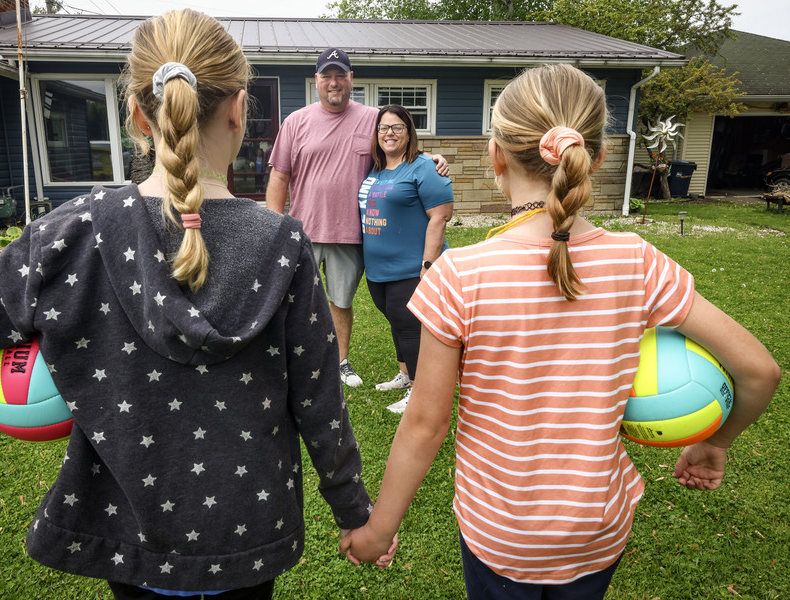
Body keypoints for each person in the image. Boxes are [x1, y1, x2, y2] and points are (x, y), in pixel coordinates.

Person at [0, 10, 394, 599]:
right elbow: (320, 401)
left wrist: (4, 396)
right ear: (239, 109)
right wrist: (354, 514)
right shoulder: (284, 244)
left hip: (130, 535)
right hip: (248, 535)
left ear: (136, 113)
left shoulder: (67, 234)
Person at [340, 64, 780, 596]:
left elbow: (424, 425)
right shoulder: (638, 262)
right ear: (595, 157)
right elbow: (759, 370)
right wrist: (716, 443)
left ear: (495, 155)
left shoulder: (459, 275)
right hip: (598, 527)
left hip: (500, 531)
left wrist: (378, 529)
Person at [266, 48, 449, 389]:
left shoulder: (372, 119)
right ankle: (293, 362)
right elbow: (279, 178)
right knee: (292, 301)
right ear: (316, 81)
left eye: (340, 75)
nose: (333, 82)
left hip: (350, 234)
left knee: (340, 301)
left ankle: (339, 362)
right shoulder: (296, 121)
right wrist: (276, 229)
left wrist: (430, 158)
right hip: (301, 233)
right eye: (326, 76)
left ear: (351, 78)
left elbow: (397, 143)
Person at [359, 104, 453, 413]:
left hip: (411, 267)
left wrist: (428, 265)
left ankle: (419, 390)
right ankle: (404, 374)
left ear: (409, 132)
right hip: (378, 269)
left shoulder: (424, 166)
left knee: (410, 327)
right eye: (383, 128)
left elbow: (440, 216)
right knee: (396, 323)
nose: (389, 133)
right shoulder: (375, 169)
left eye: (397, 127)